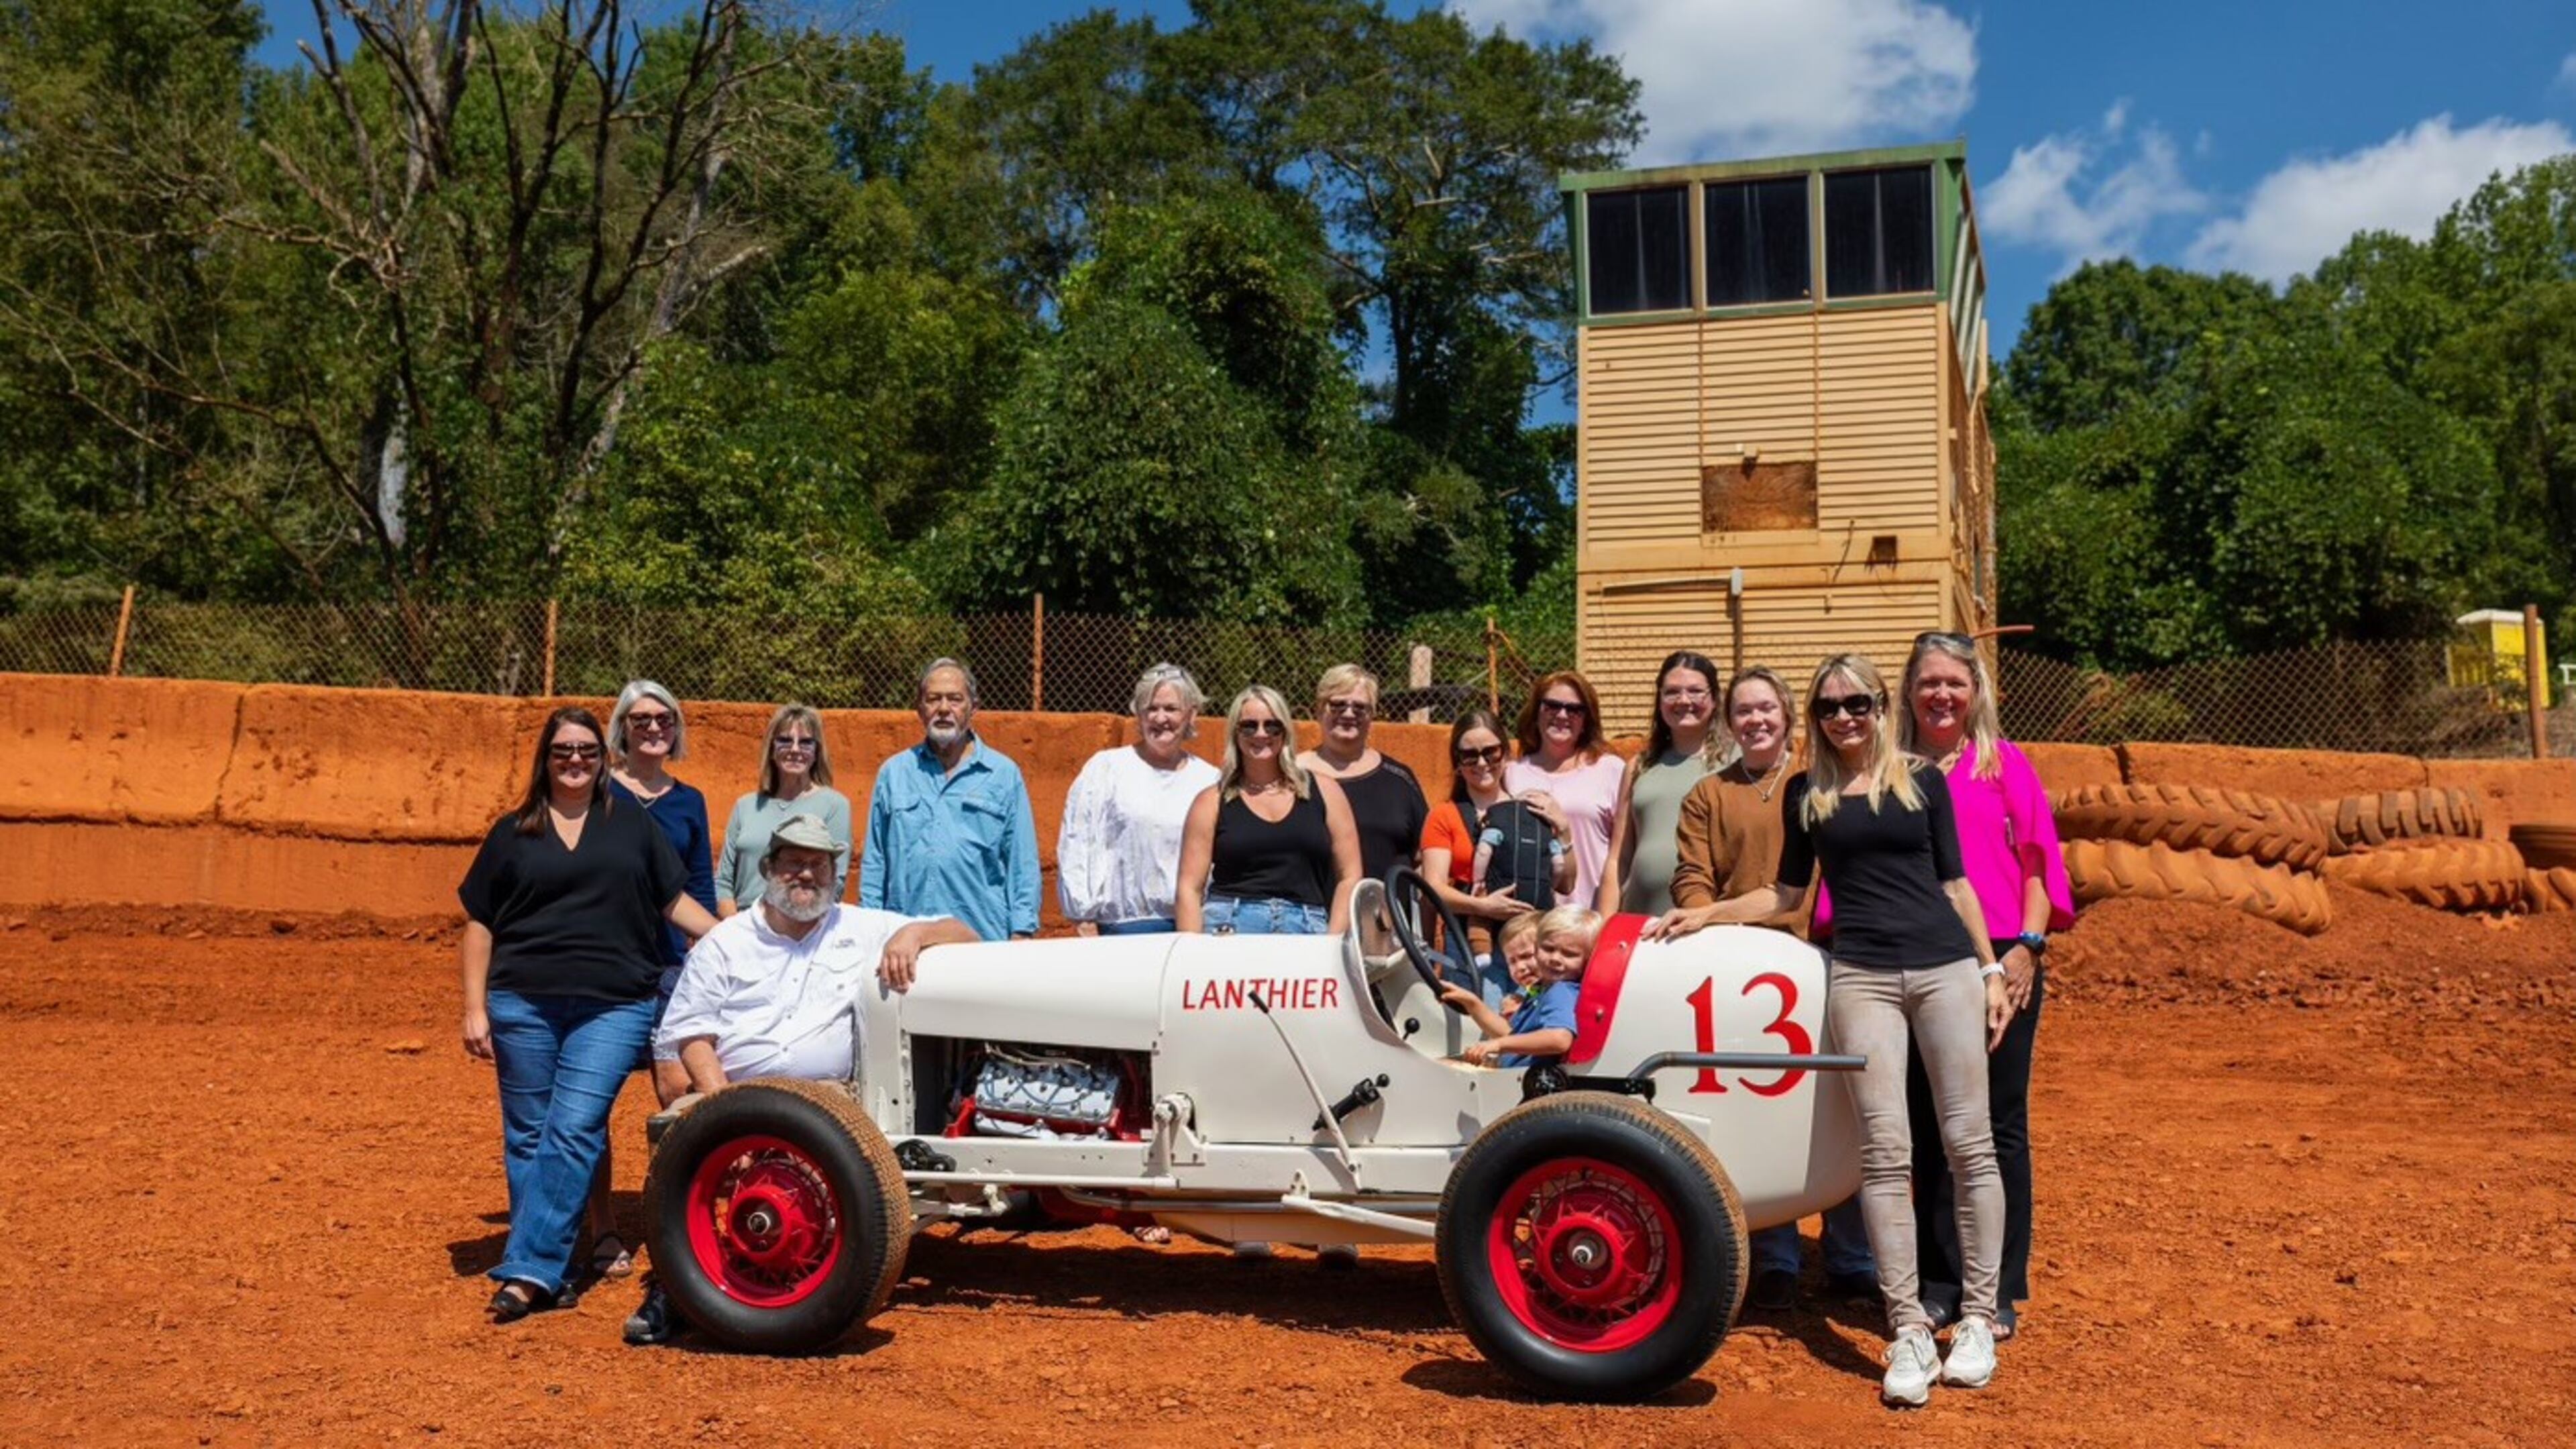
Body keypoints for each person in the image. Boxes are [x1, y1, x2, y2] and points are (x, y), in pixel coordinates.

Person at [1645, 654, 2012, 1407]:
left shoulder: (1921, 780)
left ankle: (1977, 1316)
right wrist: (1704, 913)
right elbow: (1784, 892)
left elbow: (1956, 882)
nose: (1845, 717)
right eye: (1830, 707)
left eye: (1859, 703)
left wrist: (1990, 970)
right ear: (1813, 718)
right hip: (1863, 974)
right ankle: (1907, 1325)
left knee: (1968, 1142)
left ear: (1882, 706)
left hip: (1944, 967)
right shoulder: (1808, 796)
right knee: (1883, 1151)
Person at [625, 812, 977, 1345]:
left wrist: (915, 933)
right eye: (794, 862)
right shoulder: (727, 941)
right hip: (737, 1094)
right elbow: (693, 1036)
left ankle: (830, 1283)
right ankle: (678, 1288)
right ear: (769, 868)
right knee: (685, 1162)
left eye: (819, 864)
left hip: (829, 1098)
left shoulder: (862, 927)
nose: (806, 875)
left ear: (836, 874)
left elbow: (966, 934)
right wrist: (726, 1119)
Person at [457, 706, 718, 1324]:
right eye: (563, 752)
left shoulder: (628, 823)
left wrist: (731, 941)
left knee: (573, 1127)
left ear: (604, 760)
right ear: (544, 761)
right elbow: (479, 921)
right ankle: (553, 1264)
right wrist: (474, 1007)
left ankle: (529, 1271)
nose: (576, 762)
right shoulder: (512, 830)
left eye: (588, 752)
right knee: (528, 1135)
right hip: (521, 1002)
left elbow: (673, 899)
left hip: (614, 1004)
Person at [1658, 665, 1874, 1311]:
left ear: (1786, 715)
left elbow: (1812, 885)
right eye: (1743, 712)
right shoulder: (1708, 795)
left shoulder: (1820, 784)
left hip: (1826, 957)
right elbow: (1692, 877)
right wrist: (1710, 929)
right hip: (1745, 971)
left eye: (1767, 710)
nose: (1755, 721)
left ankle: (1852, 1253)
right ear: (1730, 723)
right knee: (1759, 1102)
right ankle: (1775, 1255)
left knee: (1843, 1101)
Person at [1896, 632, 2075, 1342]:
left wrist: (2027, 949)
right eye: (1928, 683)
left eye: (1955, 684)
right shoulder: (1893, 772)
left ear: (1975, 693)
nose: (1942, 695)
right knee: (1929, 1125)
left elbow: (2038, 865)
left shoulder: (2004, 765)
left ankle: (1997, 1285)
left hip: (2001, 956)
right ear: (1908, 694)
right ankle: (1942, 1283)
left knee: (1997, 1125)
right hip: (1914, 956)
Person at [596, 680, 720, 1273]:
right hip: (605, 971)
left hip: (671, 972)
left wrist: (711, 956)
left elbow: (699, 887)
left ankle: (679, 1224)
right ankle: (601, 1230)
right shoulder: (597, 794)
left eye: (664, 718)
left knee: (678, 1094)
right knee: (591, 1102)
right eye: (641, 718)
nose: (653, 727)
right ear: (622, 727)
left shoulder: (688, 800)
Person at [860, 659, 1040, 943]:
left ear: (973, 708)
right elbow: (875, 861)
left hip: (981, 939)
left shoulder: (1003, 775)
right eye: (933, 699)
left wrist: (1022, 932)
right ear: (920, 709)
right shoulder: (893, 774)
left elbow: (1022, 862)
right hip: (904, 943)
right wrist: (870, 931)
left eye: (955, 699)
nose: (944, 708)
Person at [1175, 684, 1362, 936]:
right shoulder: (1212, 801)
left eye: (1272, 725)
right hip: (1230, 927)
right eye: (1249, 726)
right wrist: (1191, 955)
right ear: (1235, 733)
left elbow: (1350, 875)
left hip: (1306, 927)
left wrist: (1333, 941)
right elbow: (1189, 888)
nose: (1261, 734)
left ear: (1285, 732)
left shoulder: (1325, 792)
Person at [1418, 709, 1571, 998]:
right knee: (1479, 1028)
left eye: (1491, 752)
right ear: (1458, 762)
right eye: (1469, 755)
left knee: (1530, 1026)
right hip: (1470, 942)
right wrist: (1484, 908)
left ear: (1506, 754)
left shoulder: (1532, 810)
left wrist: (1564, 831)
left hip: (1529, 942)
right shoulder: (1444, 816)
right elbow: (1432, 889)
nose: (1481, 763)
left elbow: (1565, 883)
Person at [1057, 665, 1220, 934]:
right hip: (1120, 928)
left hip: (1188, 929)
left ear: (1191, 714)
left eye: (1171, 709)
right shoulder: (1107, 769)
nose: (1160, 718)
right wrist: (1083, 916)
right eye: (1151, 708)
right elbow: (1079, 840)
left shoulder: (1208, 780)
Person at [1599, 651, 1723, 915]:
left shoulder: (1736, 761)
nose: (1684, 700)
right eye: (1672, 692)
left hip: (1711, 918)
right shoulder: (1640, 765)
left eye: (1696, 691)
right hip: (1640, 918)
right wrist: (1605, 925)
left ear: (1714, 699)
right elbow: (1618, 859)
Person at [1296, 663, 1428, 887]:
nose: (1348, 714)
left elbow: (1426, 857)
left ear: (1372, 715)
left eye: (1360, 708)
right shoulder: (1291, 775)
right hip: (1310, 918)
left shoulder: (1399, 779)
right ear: (1319, 709)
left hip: (1385, 918)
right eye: (1337, 705)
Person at [1504, 671, 1625, 910]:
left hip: (1593, 913)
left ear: (1586, 720)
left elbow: (1624, 851)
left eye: (1574, 710)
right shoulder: (1512, 773)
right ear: (1536, 712)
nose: (1562, 715)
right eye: (1552, 706)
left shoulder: (1610, 769)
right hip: (1530, 917)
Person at [716, 702, 853, 915]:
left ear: (817, 752)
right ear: (771, 749)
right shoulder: (745, 806)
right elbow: (724, 882)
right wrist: (736, 929)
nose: (795, 749)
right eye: (785, 740)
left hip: (801, 925)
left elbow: (836, 882)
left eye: (806, 742)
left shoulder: (835, 806)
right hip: (744, 924)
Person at [1439, 904, 1599, 1067]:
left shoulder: (1561, 991)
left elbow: (1559, 1039)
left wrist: (1498, 1045)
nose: (1555, 958)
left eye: (1569, 954)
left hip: (1523, 1078)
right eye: (1548, 949)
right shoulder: (1539, 990)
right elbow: (1510, 1033)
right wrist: (1472, 1003)